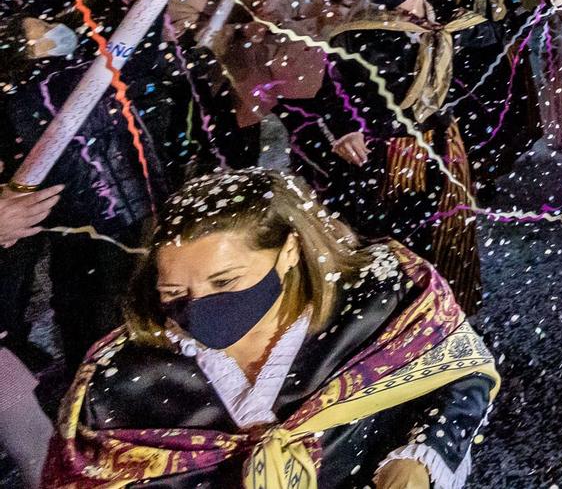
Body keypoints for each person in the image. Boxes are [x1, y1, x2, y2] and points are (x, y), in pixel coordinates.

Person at [46, 168, 497, 489]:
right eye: (173, 291)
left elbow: (461, 374)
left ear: (288, 251)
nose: (199, 308)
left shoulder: (382, 302)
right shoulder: (120, 383)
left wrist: (421, 459)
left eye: (225, 282)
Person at [312, 0, 486, 310]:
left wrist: (548, 0)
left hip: (440, 149)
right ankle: (385, 316)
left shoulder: (451, 28)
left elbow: (502, 36)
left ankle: (439, 310)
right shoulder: (360, 32)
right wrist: (345, 130)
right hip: (382, 155)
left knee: (442, 233)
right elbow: (332, 89)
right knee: (383, 240)